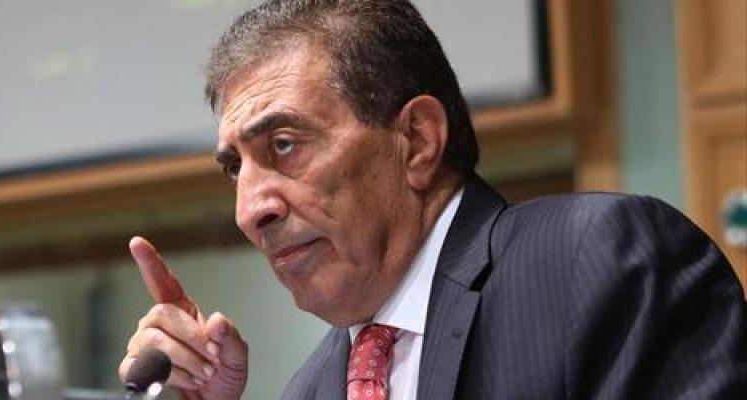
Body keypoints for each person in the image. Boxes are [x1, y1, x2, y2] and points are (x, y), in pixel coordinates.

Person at [118, 0, 747, 399]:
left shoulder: (598, 263)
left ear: (417, 140)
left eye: (283, 145)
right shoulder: (310, 391)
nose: (250, 210)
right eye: (236, 168)